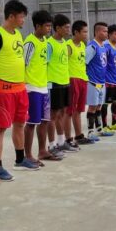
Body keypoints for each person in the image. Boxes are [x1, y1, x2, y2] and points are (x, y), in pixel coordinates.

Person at [0, 0, 33, 181]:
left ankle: (20, 159)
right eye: (21, 17)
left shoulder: (17, 35)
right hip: (2, 88)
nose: (23, 21)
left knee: (20, 123)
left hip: (19, 87)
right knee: (0, 128)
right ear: (11, 16)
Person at [23, 11, 62, 164]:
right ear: (37, 26)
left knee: (45, 120)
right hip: (32, 87)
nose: (49, 29)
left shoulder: (45, 41)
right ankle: (27, 155)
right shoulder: (30, 43)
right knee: (32, 123)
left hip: (44, 87)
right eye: (46, 26)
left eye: (50, 26)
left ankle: (42, 151)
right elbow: (23, 65)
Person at [46, 14, 79, 153]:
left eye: (69, 27)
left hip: (65, 82)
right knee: (52, 115)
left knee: (62, 113)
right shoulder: (49, 44)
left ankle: (61, 142)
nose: (68, 30)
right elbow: (44, 64)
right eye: (66, 27)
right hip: (53, 83)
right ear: (57, 28)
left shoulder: (65, 43)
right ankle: (52, 145)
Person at [85, 22, 113, 141]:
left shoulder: (104, 47)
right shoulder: (92, 47)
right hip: (92, 82)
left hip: (102, 82)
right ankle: (90, 131)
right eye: (104, 31)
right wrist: (87, 79)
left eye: (107, 31)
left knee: (99, 107)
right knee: (92, 107)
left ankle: (100, 128)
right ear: (97, 32)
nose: (106, 33)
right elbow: (84, 63)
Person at [67, 20, 91, 145]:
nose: (86, 34)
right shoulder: (68, 46)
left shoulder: (82, 45)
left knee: (79, 109)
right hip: (72, 79)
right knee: (71, 110)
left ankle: (78, 135)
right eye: (84, 32)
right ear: (76, 32)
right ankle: (67, 138)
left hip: (83, 79)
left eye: (87, 32)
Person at [102, 24, 116, 130]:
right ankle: (104, 125)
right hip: (108, 81)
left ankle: (115, 122)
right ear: (109, 35)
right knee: (106, 103)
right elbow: (103, 64)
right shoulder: (106, 47)